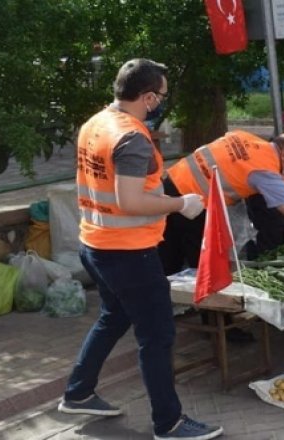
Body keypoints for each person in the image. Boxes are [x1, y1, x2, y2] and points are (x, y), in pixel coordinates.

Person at [58, 58, 223, 440]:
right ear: (148, 97)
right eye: (161, 96)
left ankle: (79, 392)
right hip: (129, 252)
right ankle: (169, 422)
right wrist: (181, 204)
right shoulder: (131, 137)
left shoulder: (96, 123)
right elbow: (130, 201)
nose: (161, 102)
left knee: (114, 317)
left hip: (95, 243)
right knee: (158, 335)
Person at [159, 131, 284, 275]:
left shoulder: (245, 136)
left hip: (170, 184)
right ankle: (218, 324)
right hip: (193, 203)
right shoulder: (266, 172)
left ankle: (161, 311)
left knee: (168, 255)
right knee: (207, 266)